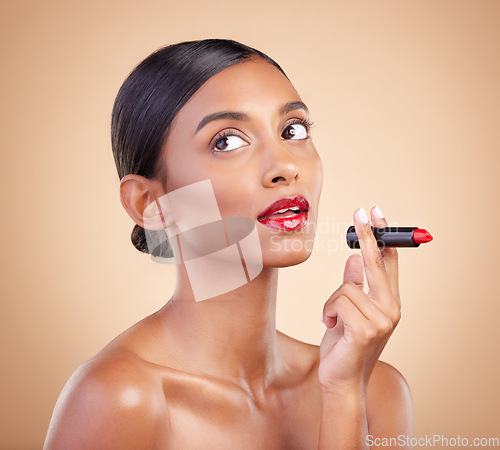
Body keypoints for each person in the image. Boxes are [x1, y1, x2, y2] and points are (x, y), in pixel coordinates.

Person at [44, 39, 413, 449]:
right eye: (227, 141)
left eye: (293, 130)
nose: (285, 166)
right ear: (150, 204)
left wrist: (343, 393)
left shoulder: (375, 390)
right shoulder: (120, 399)